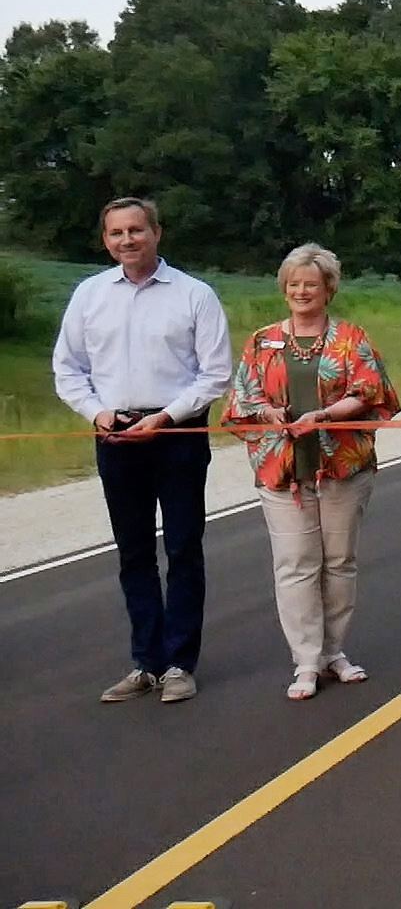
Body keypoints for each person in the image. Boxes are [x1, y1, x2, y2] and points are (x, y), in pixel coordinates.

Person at [53, 196, 231, 704]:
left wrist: (166, 416)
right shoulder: (88, 296)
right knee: (133, 553)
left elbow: (214, 372)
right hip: (115, 434)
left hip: (177, 433)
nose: (127, 240)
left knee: (181, 548)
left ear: (157, 232)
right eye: (116, 233)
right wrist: (97, 412)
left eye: (136, 230)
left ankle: (179, 663)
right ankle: (144, 662)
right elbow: (68, 369)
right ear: (105, 240)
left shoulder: (195, 295)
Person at [223, 244, 401, 700]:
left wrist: (323, 415)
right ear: (285, 289)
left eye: (311, 284)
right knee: (296, 565)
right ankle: (305, 661)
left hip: (341, 466)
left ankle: (333, 652)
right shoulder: (263, 341)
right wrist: (267, 413)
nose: (302, 291)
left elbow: (369, 390)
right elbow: (243, 396)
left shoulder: (350, 338)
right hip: (283, 470)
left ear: (328, 290)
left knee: (339, 562)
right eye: (294, 284)